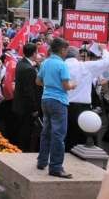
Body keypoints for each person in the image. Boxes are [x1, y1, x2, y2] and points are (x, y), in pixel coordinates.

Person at [36, 38, 75, 178]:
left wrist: (50, 84)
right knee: (58, 134)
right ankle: (56, 167)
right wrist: (73, 85)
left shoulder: (45, 62)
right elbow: (66, 86)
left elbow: (38, 81)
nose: (67, 52)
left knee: (46, 131)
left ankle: (42, 161)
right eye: (67, 49)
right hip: (59, 101)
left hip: (45, 99)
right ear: (62, 49)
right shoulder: (62, 64)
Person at [64, 45, 109, 151]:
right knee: (81, 142)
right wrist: (103, 50)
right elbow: (107, 61)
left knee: (66, 138)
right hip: (81, 109)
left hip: (63, 106)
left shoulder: (60, 66)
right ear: (77, 56)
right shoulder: (85, 66)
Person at [12, 42, 40, 152]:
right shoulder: (29, 69)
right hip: (26, 108)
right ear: (34, 53)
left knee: (21, 129)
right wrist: (34, 108)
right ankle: (23, 150)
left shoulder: (21, 63)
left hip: (19, 105)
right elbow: (29, 91)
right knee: (25, 131)